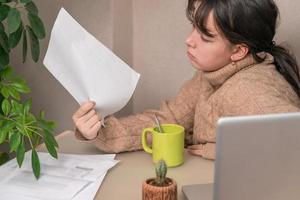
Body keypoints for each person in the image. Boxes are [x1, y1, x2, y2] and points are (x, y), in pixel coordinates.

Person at [72, 0, 300, 160]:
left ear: (239, 51)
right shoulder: (213, 74)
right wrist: (102, 130)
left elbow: (291, 149)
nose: (189, 40)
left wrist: (221, 152)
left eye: (205, 36)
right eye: (194, 26)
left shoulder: (249, 92)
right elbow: (169, 120)